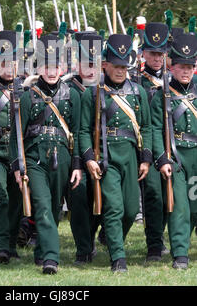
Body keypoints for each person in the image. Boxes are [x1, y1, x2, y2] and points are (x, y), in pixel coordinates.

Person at [79, 33, 152, 272]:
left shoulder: (138, 92)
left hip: (130, 154)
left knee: (131, 210)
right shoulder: (93, 92)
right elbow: (83, 130)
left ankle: (111, 239)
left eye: (124, 66)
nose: (121, 71)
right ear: (105, 65)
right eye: (116, 66)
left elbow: (147, 127)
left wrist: (146, 159)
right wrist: (90, 158)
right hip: (106, 156)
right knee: (114, 207)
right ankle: (118, 258)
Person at [10, 34, 82, 274]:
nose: (52, 71)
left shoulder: (73, 95)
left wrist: (76, 165)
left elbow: (77, 132)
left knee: (53, 208)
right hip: (35, 158)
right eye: (46, 66)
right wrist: (18, 167)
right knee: (41, 204)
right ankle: (51, 257)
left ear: (63, 68)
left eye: (56, 66)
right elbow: (17, 135)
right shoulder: (28, 96)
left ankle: (41, 251)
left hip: (62, 156)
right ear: (39, 68)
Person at [151, 32, 197, 269]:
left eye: (190, 66)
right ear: (172, 66)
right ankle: (180, 252)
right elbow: (156, 129)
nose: (186, 71)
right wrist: (163, 159)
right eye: (181, 66)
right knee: (179, 205)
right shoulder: (163, 94)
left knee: (194, 205)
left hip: (196, 154)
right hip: (176, 156)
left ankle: (184, 242)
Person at [0, 30, 24, 265]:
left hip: (17, 153)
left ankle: (10, 242)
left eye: (12, 62)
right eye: (3, 62)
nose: (8, 67)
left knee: (17, 198)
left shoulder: (24, 90)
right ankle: (0, 245)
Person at [64, 31, 104, 264]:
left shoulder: (107, 87)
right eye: (87, 63)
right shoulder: (68, 87)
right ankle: (83, 246)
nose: (91, 69)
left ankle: (91, 237)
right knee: (78, 199)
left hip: (101, 153)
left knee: (100, 199)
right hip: (72, 155)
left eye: (95, 64)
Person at [134, 22, 170, 261]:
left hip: (173, 143)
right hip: (145, 144)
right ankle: (154, 244)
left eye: (160, 53)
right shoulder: (135, 81)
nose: (157, 58)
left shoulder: (173, 79)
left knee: (170, 196)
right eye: (152, 53)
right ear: (143, 53)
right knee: (154, 195)